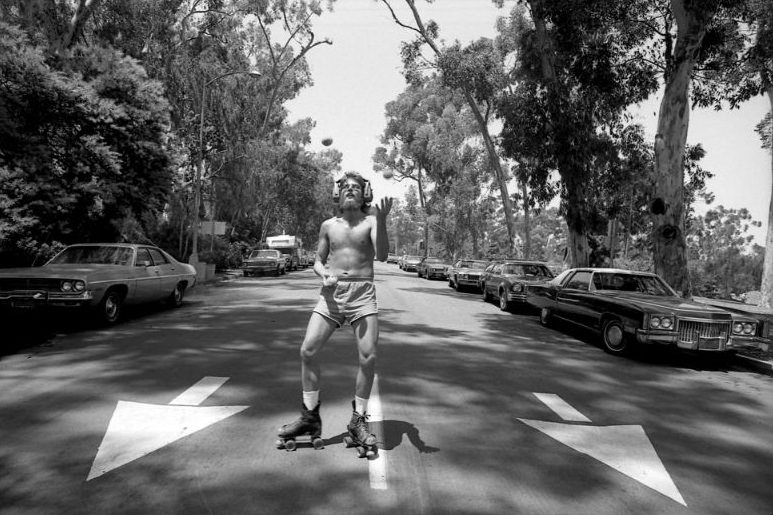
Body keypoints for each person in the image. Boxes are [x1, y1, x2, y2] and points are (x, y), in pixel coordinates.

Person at [277, 172, 393, 454]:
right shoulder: (328, 225)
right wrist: (324, 274)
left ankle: (358, 421)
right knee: (308, 350)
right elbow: (318, 260)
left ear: (364, 193)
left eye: (356, 187)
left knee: (369, 356)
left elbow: (382, 256)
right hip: (332, 294)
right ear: (338, 195)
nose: (350, 191)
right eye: (346, 188)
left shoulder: (370, 222)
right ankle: (309, 417)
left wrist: (383, 220)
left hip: (362, 293)